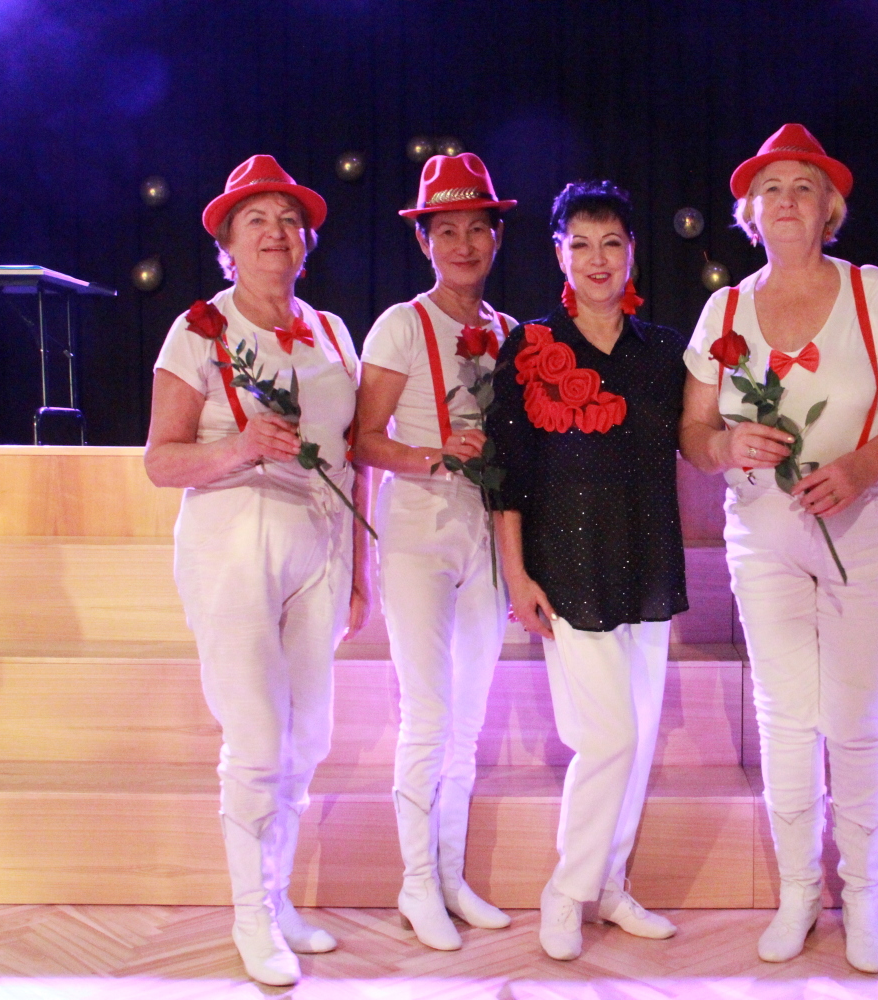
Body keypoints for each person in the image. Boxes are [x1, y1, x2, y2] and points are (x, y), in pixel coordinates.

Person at [679, 124, 878, 974]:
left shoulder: (874, 291)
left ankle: (862, 897)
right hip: (763, 533)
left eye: (804, 187)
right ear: (749, 213)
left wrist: (861, 468)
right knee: (786, 716)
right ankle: (799, 892)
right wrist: (725, 445)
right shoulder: (724, 310)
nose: (787, 201)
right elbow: (693, 431)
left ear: (830, 208)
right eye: (771, 189)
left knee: (858, 716)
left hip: (866, 527)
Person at [144, 154, 370, 987]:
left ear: (306, 241)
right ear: (228, 245)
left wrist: (359, 571)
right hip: (233, 537)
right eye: (256, 221)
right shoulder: (199, 328)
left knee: (308, 736)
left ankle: (275, 899)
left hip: (321, 541)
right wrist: (239, 447)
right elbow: (160, 460)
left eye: (288, 220)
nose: (276, 233)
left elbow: (351, 459)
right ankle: (250, 915)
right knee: (259, 737)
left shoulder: (332, 331)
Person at [486, 180, 688, 961]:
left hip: (648, 562)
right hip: (567, 567)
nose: (597, 259)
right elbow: (507, 470)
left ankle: (610, 884)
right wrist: (516, 575)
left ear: (632, 251)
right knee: (610, 737)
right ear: (558, 253)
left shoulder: (665, 351)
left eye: (611, 243)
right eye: (580, 244)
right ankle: (567, 892)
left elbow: (702, 440)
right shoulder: (532, 344)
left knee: (634, 740)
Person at [356, 153, 518, 950]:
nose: (463, 244)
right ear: (424, 241)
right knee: (427, 713)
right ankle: (416, 882)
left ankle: (450, 876)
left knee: (469, 718)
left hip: (484, 539)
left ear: (496, 238)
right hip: (418, 534)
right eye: (446, 230)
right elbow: (361, 439)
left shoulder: (512, 333)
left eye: (476, 229)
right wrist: (432, 455)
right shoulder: (400, 323)